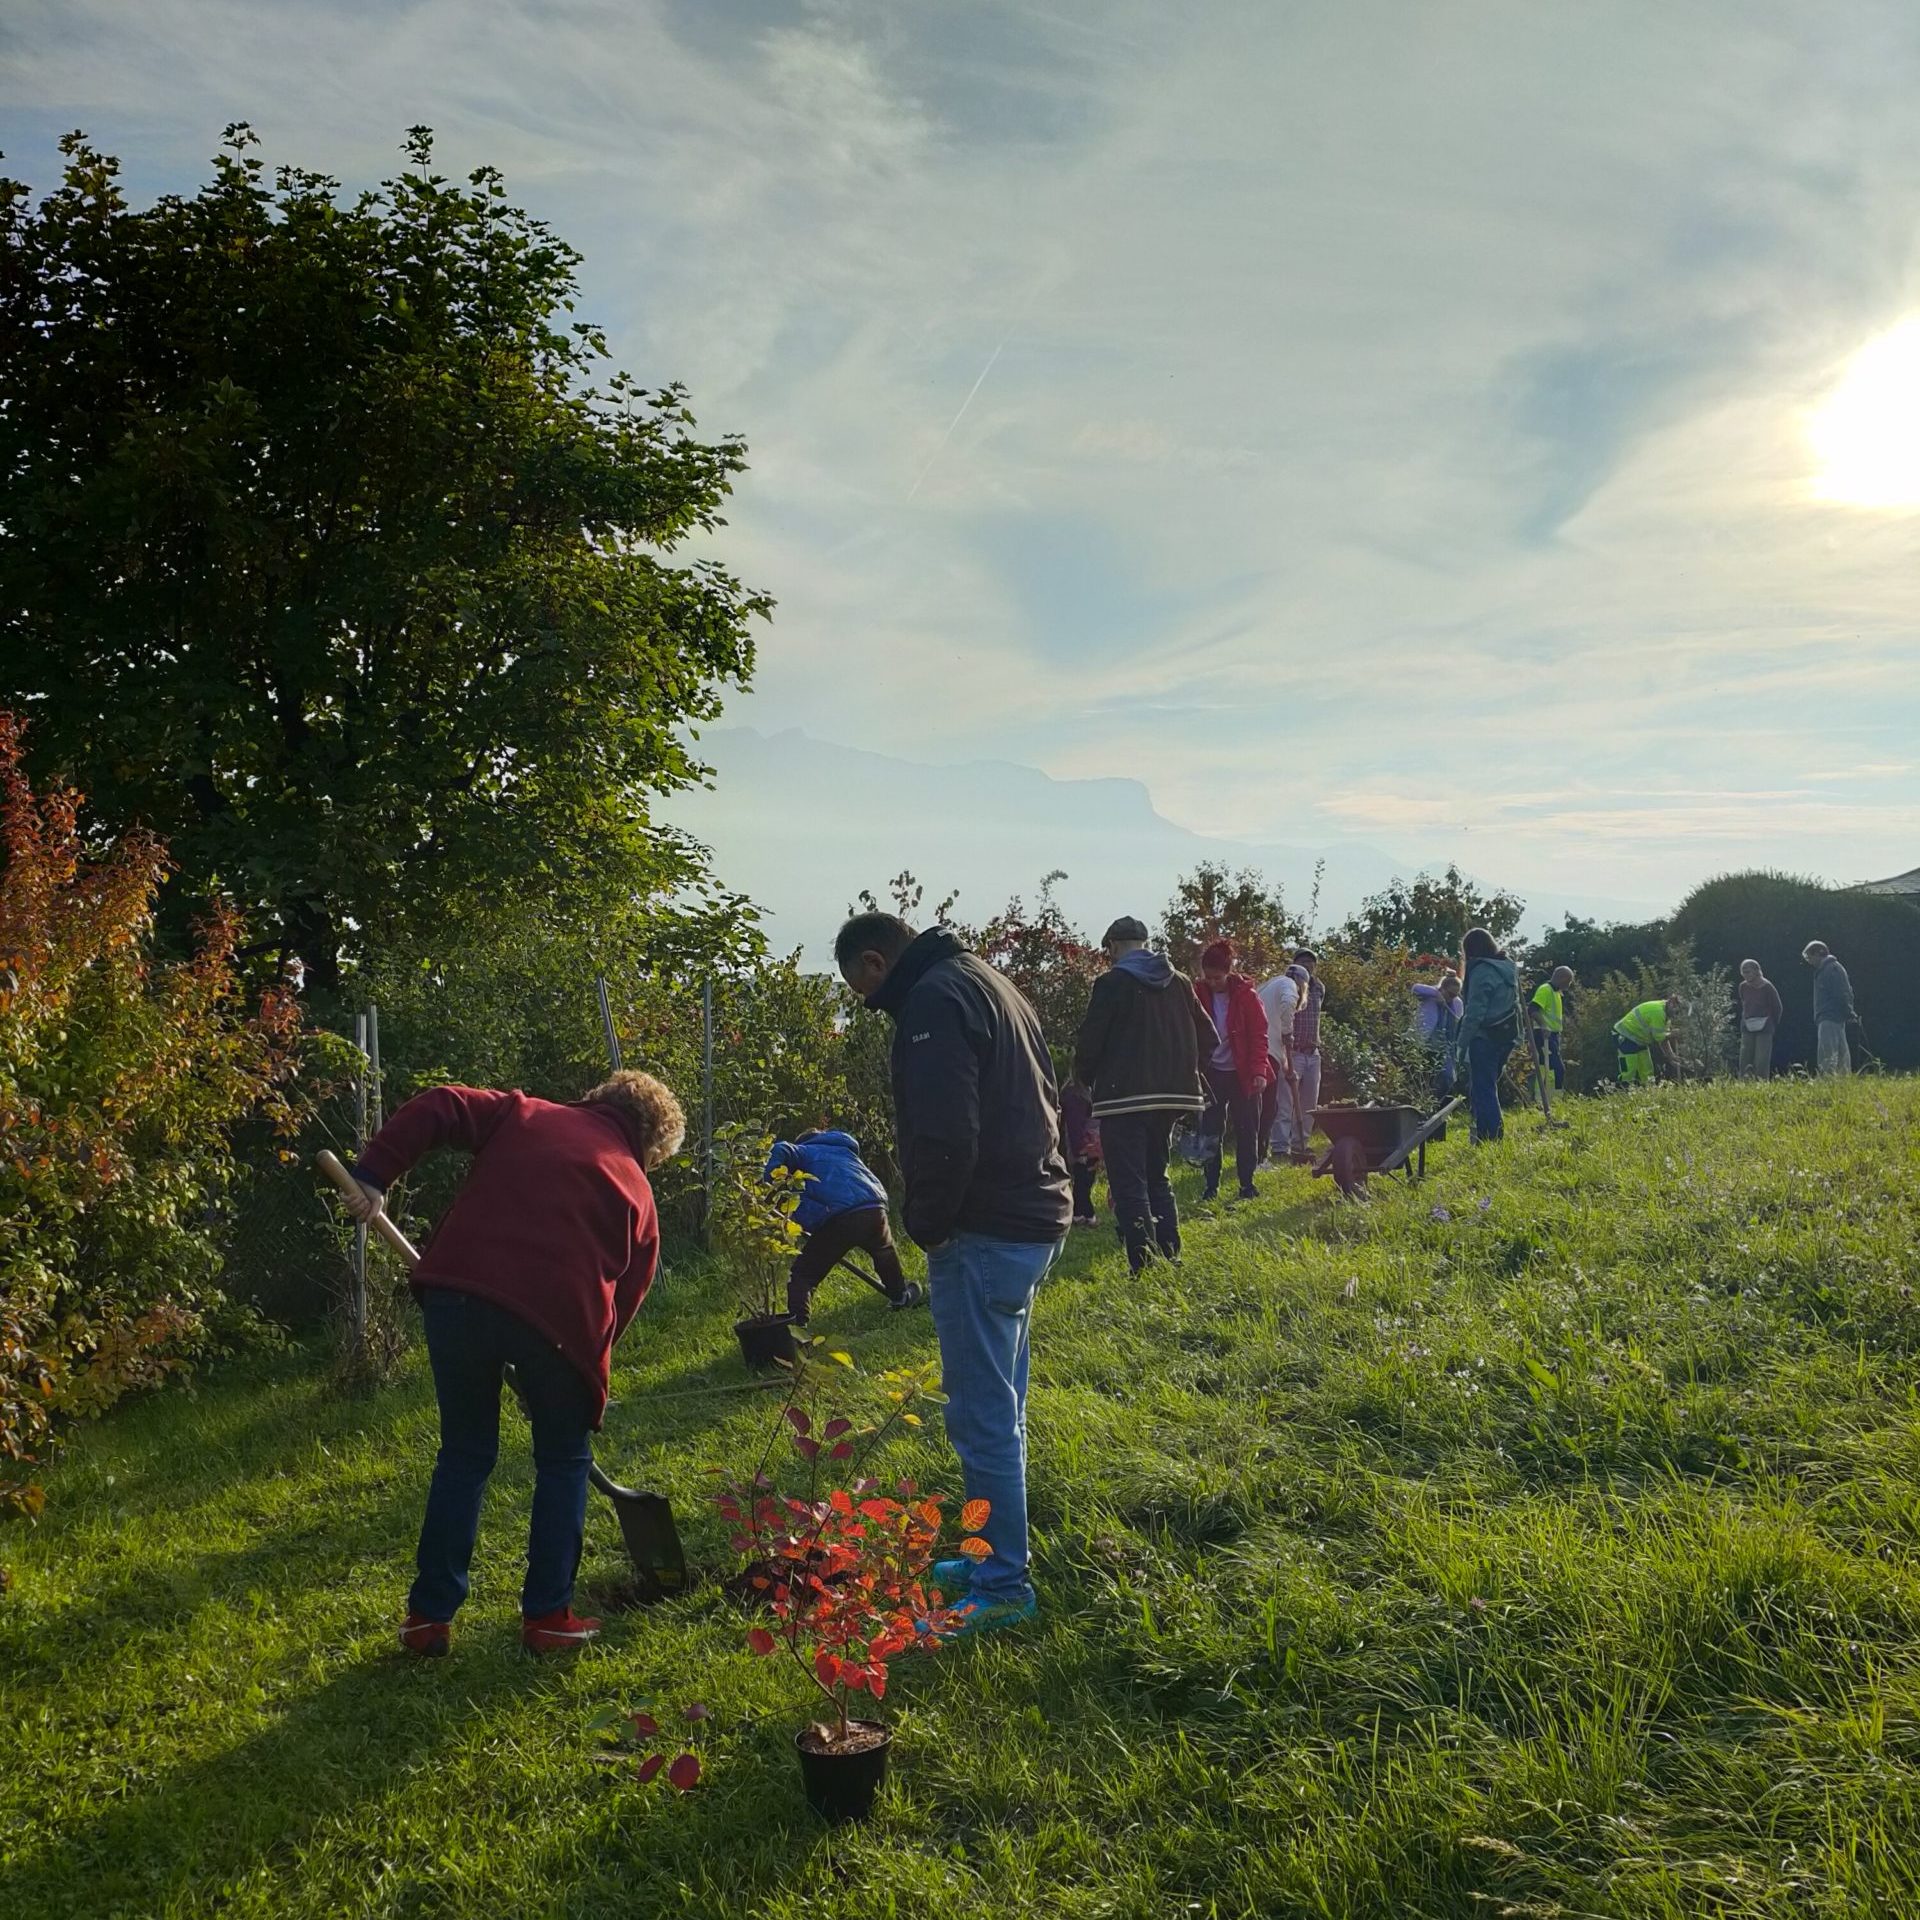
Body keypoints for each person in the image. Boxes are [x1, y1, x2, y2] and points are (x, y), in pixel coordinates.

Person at [339, 1071, 685, 1657]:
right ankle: (549, 1617)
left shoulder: (524, 1113)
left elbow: (441, 1102)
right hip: (558, 1325)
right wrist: (579, 1374)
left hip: (457, 1294)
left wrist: (373, 1175)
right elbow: (622, 1305)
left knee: (465, 1454)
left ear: (597, 1097)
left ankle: (428, 1618)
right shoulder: (638, 1193)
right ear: (649, 1143)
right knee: (563, 1458)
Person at [835, 911, 1070, 1637]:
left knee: (981, 1417)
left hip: (984, 1226)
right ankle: (989, 1555)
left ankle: (1003, 1585)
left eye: (864, 992)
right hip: (1033, 1212)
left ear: (876, 963)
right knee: (1004, 1406)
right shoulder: (990, 981)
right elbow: (1049, 1094)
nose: (872, 1007)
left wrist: (927, 1223)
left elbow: (944, 1129)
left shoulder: (934, 1001)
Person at [1072, 914, 1217, 1274]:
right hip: (1173, 1095)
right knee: (1158, 1174)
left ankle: (1145, 1264)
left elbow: (1091, 1043)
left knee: (1128, 1182)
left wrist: (1084, 1080)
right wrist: (1182, 1069)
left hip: (1124, 1098)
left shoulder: (1111, 983)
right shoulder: (1180, 982)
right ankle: (1171, 1253)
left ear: (1114, 947)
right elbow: (1209, 1037)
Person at [764, 1129, 925, 1325]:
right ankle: (900, 1296)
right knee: (884, 1253)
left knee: (803, 1275)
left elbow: (781, 1148)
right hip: (873, 1206)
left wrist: (768, 1186)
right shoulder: (843, 1150)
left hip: (837, 1215)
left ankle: (798, 1329)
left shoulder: (804, 1151)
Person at [1192, 939, 1275, 1201]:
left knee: (1247, 1129)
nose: (1212, 982)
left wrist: (1259, 1070)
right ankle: (1210, 1186)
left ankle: (1247, 1185)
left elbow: (1260, 1035)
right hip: (1211, 1072)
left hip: (1243, 1073)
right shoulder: (1196, 994)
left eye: (1217, 977)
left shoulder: (1248, 997)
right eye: (1208, 977)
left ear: (1228, 972)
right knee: (1210, 1130)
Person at [1453, 928, 1521, 1142]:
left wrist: (1460, 1044)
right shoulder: (1508, 967)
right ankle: (1483, 1134)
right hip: (1506, 1036)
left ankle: (1491, 1137)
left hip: (1485, 1037)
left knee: (1484, 1089)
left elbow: (1475, 1013)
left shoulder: (1482, 972)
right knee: (1485, 1086)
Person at [1256, 962, 1302, 1159]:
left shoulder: (1267, 986)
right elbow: (1288, 1002)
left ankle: (1257, 1154)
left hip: (1259, 1050)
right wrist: (1287, 1032)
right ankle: (1260, 1157)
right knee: (1267, 1108)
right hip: (1267, 1052)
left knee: (1260, 1106)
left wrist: (1287, 1068)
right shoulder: (1289, 985)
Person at [1802, 940, 1856, 1076]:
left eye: (1809, 957)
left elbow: (1841, 993)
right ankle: (1843, 1078)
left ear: (1818, 954)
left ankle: (1828, 1079)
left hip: (1830, 1015)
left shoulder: (1830, 969)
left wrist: (1848, 1011)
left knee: (1828, 1050)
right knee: (1840, 1049)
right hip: (1834, 1016)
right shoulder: (1830, 968)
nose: (1809, 961)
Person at [1289, 948, 1327, 1135]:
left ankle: (1301, 1141)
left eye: (1310, 961)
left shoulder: (1319, 987)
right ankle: (1281, 1146)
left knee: (1310, 1103)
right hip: (1293, 1051)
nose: (1307, 964)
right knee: (1288, 1101)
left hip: (1313, 1053)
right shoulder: (1289, 985)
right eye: (1302, 961)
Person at [1411, 969, 1464, 1097]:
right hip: (1425, 1043)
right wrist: (1436, 993)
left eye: (1455, 995)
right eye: (1450, 994)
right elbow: (1415, 988)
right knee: (1421, 1078)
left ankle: (1436, 1104)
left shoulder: (1457, 1003)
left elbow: (1458, 1022)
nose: (1452, 998)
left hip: (1445, 1046)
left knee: (1447, 1077)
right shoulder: (1430, 996)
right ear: (1443, 988)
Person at [1060, 1079, 1102, 1227]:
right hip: (1083, 1146)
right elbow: (1074, 1126)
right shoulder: (1076, 1095)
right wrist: (1081, 1150)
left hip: (1087, 1144)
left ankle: (1080, 1213)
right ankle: (1084, 1214)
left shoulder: (1083, 1092)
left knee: (1084, 1180)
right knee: (1083, 1181)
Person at [1614, 996, 1681, 1086]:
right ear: (1671, 1003)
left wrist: (1671, 1056)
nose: (1676, 1015)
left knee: (1647, 1069)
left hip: (1639, 1039)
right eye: (1676, 1011)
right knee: (1628, 1070)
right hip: (1624, 1036)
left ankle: (1649, 1092)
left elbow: (1663, 1039)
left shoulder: (1666, 1017)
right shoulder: (1658, 1013)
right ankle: (1623, 1093)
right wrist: (1672, 1034)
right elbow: (1659, 1037)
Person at [1527, 965, 1574, 1092]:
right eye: (1568, 982)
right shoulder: (1545, 990)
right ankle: (1553, 1098)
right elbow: (1532, 1009)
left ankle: (1542, 1098)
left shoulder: (1557, 993)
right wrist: (1543, 1025)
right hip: (1544, 1035)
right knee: (1556, 1068)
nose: (1568, 986)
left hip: (1552, 1036)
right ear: (1563, 979)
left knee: (1545, 1068)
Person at [1736, 959, 1784, 1080]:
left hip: (1765, 1026)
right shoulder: (1743, 987)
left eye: (1748, 971)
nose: (1746, 975)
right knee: (1745, 1058)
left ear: (1756, 971)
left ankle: (1761, 1083)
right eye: (1743, 972)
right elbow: (1744, 1003)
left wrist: (1772, 1023)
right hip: (1747, 1025)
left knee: (1761, 1059)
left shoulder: (1767, 987)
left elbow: (1777, 1007)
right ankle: (1744, 1083)